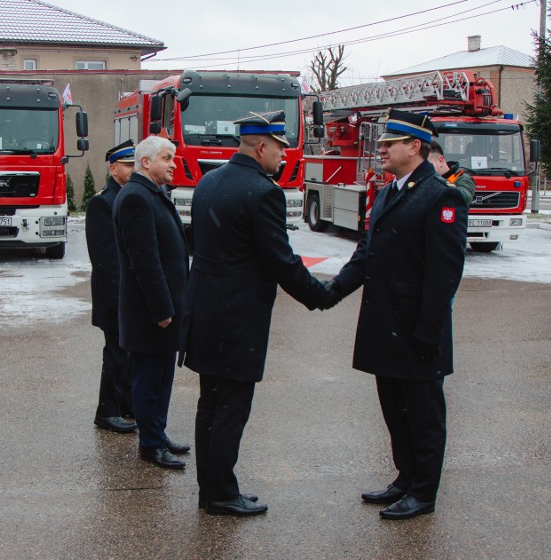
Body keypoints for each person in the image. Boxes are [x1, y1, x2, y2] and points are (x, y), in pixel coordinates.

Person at [180, 110, 334, 517]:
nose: (283, 158)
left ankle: (209, 489)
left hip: (205, 313)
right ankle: (221, 494)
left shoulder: (209, 181)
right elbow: (280, 260)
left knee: (210, 403)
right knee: (232, 407)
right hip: (236, 319)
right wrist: (319, 295)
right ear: (262, 147)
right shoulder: (263, 192)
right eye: (280, 150)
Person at [327, 109, 468, 520]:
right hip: (385, 324)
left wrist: (429, 329)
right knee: (395, 409)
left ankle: (423, 492)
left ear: (415, 147)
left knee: (423, 414)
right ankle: (405, 478)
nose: (381, 149)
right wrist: (333, 290)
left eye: (390, 143)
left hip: (416, 330)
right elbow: (366, 254)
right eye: (383, 143)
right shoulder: (391, 191)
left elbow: (445, 273)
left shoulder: (441, 195)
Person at [113, 135, 190, 469]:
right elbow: (144, 261)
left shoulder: (152, 193)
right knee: (149, 379)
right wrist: (161, 310)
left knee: (161, 377)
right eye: (167, 158)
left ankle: (157, 432)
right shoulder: (136, 198)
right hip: (151, 313)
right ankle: (150, 444)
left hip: (165, 309)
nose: (173, 164)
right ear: (145, 162)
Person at [86, 140, 137, 434]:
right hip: (113, 294)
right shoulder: (103, 202)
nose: (132, 169)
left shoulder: (127, 196)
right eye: (127, 165)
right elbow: (105, 259)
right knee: (116, 353)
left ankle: (126, 404)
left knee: (128, 353)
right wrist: (122, 297)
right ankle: (107, 411)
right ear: (113, 167)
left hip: (125, 294)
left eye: (134, 164)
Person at [429, 139, 475, 205]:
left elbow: (463, 199)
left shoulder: (463, 178)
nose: (424, 167)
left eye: (428, 163)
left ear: (440, 160)